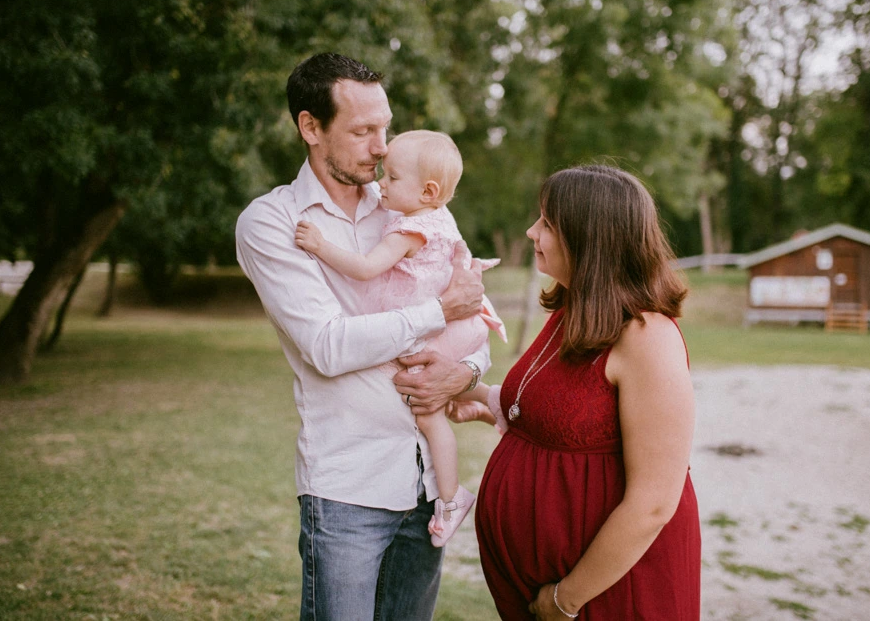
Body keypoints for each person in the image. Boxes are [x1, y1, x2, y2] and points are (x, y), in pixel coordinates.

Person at [234, 52, 490, 621]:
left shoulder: (411, 205)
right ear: (310, 127)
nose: (381, 146)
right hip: (347, 487)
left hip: (426, 483)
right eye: (362, 130)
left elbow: (474, 311)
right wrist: (436, 309)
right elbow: (328, 347)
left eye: (386, 127)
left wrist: (466, 372)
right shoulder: (273, 223)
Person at [437, 164, 700, 620]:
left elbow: (655, 501)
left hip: (609, 591)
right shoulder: (573, 309)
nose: (531, 231)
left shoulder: (646, 337)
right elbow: (560, 412)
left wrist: (566, 599)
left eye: (547, 224)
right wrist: (480, 401)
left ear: (590, 240)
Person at [293, 129, 506, 547]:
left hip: (431, 329)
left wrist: (320, 245)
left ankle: (450, 498)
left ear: (427, 190)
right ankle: (488, 399)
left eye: (391, 178)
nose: (379, 183)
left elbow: (364, 268)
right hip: (456, 328)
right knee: (443, 392)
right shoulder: (441, 217)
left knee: (427, 414)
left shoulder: (410, 231)